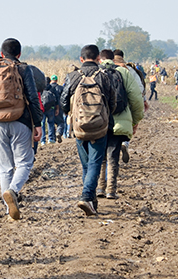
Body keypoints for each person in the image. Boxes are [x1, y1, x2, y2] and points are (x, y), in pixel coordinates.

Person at [0, 38, 43, 220]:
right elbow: (33, 98)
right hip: (20, 120)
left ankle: (7, 208)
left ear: (2, 54)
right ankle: (13, 190)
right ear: (19, 54)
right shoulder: (23, 69)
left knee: (4, 167)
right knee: (24, 162)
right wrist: (37, 124)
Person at [60, 44, 115, 216]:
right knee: (95, 164)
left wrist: (71, 114)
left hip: (79, 128)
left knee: (86, 165)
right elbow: (113, 101)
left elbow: (63, 101)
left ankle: (91, 200)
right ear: (98, 58)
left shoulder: (72, 76)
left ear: (81, 59)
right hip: (99, 127)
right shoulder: (104, 77)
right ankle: (86, 197)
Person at [97, 49, 144, 199]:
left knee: (101, 156)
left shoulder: (95, 73)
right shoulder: (124, 73)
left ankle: (99, 188)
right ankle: (111, 190)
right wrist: (135, 121)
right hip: (119, 121)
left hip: (99, 121)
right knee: (113, 157)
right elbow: (136, 99)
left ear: (100, 59)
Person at [40, 76, 59, 144]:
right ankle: (51, 139)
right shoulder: (52, 88)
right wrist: (57, 109)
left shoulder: (41, 88)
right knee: (51, 123)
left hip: (42, 108)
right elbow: (57, 99)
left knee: (42, 124)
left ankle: (43, 140)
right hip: (51, 108)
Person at [47, 75, 65, 143]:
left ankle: (52, 138)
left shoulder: (48, 88)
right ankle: (59, 132)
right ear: (57, 80)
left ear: (51, 80)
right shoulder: (61, 88)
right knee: (60, 122)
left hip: (49, 108)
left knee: (51, 123)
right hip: (58, 108)